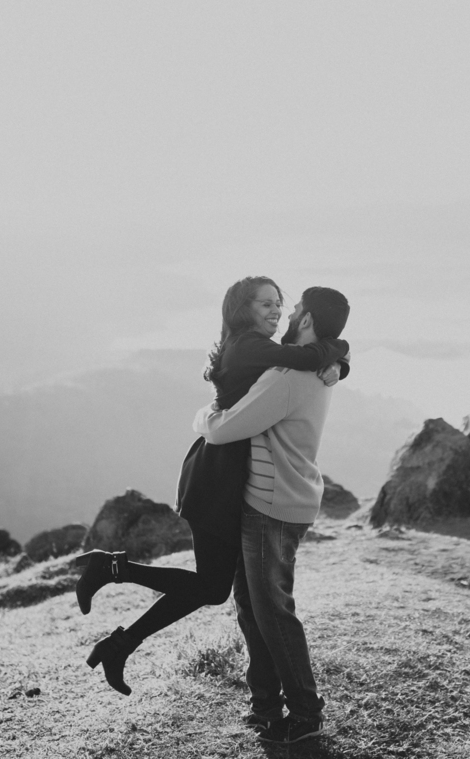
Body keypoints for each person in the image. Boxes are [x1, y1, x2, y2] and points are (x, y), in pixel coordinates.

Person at [74, 276, 349, 696]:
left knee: (214, 588)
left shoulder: (263, 350)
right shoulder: (252, 348)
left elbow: (311, 354)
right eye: (266, 304)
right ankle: (112, 574)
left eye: (281, 303)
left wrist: (339, 360)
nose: (279, 311)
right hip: (215, 477)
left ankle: (120, 636)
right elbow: (311, 353)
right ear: (243, 309)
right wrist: (339, 353)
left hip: (226, 475)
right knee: (213, 588)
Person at [193, 286, 350, 745]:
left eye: (294, 306)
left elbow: (223, 429)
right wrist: (339, 357)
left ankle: (305, 713)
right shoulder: (311, 368)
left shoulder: (288, 376)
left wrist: (202, 416)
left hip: (272, 506)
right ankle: (264, 706)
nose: (287, 311)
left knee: (273, 613)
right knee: (253, 608)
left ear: (307, 321)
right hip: (274, 499)